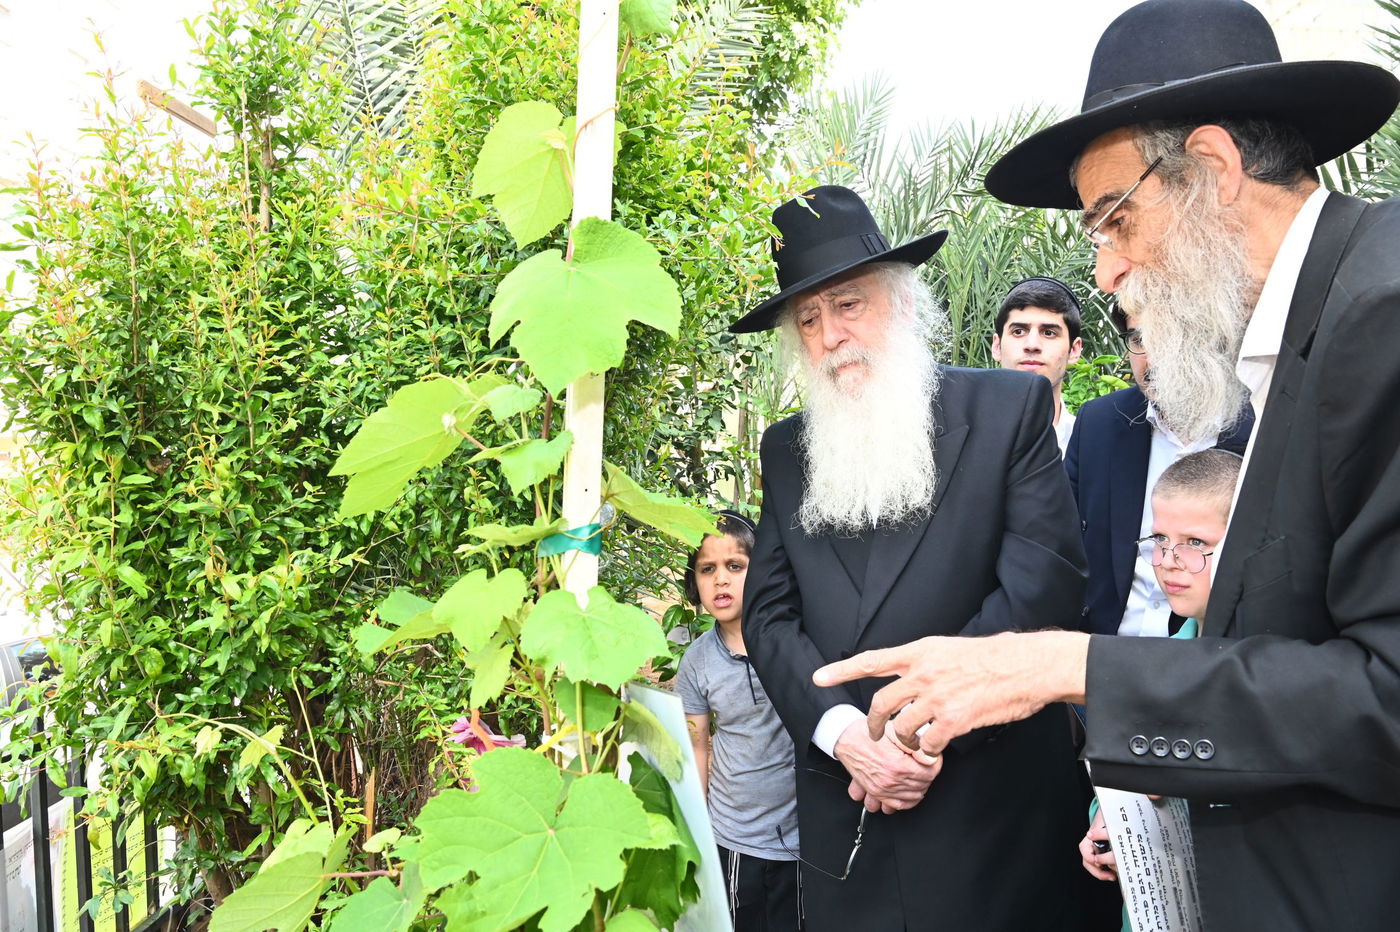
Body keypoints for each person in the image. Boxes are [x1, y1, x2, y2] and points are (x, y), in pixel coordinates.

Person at [812, 2, 1400, 929]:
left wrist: (1071, 665)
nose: (1109, 272)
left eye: (1115, 220)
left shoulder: (1384, 315)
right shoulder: (1318, 327)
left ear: (1210, 168)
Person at [730, 185, 1088, 930]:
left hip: (991, 813)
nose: (831, 334)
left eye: (849, 304)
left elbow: (1043, 588)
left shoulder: (1003, 412)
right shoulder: (786, 450)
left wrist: (908, 734)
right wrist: (846, 737)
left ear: (901, 302)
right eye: (809, 318)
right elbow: (767, 617)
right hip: (851, 810)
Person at [1080, 448, 1241, 885]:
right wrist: (1104, 823)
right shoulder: (1154, 661)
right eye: (1159, 540)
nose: (1169, 561)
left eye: (1195, 543)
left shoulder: (1267, 668)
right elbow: (1114, 782)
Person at [1066, 301, 1251, 639]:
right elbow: (1062, 544)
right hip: (1101, 655)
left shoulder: (1261, 430)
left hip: (1215, 662)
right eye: (1138, 339)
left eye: (1166, 337)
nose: (1150, 357)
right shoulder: (1099, 424)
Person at [673, 510, 801, 931]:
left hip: (802, 838)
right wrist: (698, 826)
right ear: (695, 582)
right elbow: (697, 743)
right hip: (734, 836)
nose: (721, 580)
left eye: (735, 566)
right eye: (707, 569)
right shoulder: (697, 661)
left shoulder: (796, 641)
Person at [991, 277, 1084, 453]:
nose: (1032, 344)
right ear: (997, 346)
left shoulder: (1090, 445)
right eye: (1018, 332)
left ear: (1074, 350)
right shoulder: (960, 440)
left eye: (1049, 333)